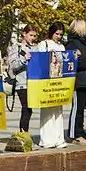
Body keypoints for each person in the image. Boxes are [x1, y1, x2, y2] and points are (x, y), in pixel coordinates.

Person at [35, 22, 68, 150]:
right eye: (56, 33)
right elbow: (40, 61)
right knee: (47, 111)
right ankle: (47, 139)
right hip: (47, 81)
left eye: (61, 34)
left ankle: (59, 138)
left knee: (58, 110)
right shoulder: (44, 44)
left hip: (59, 81)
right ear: (51, 32)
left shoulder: (62, 46)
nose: (58, 36)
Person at [7, 26, 39, 134]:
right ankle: (23, 134)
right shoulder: (16, 47)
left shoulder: (36, 47)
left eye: (34, 36)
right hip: (21, 83)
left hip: (33, 82)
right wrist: (24, 59)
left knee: (29, 110)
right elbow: (13, 65)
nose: (33, 38)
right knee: (27, 109)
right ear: (24, 34)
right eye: (30, 35)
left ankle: (24, 133)